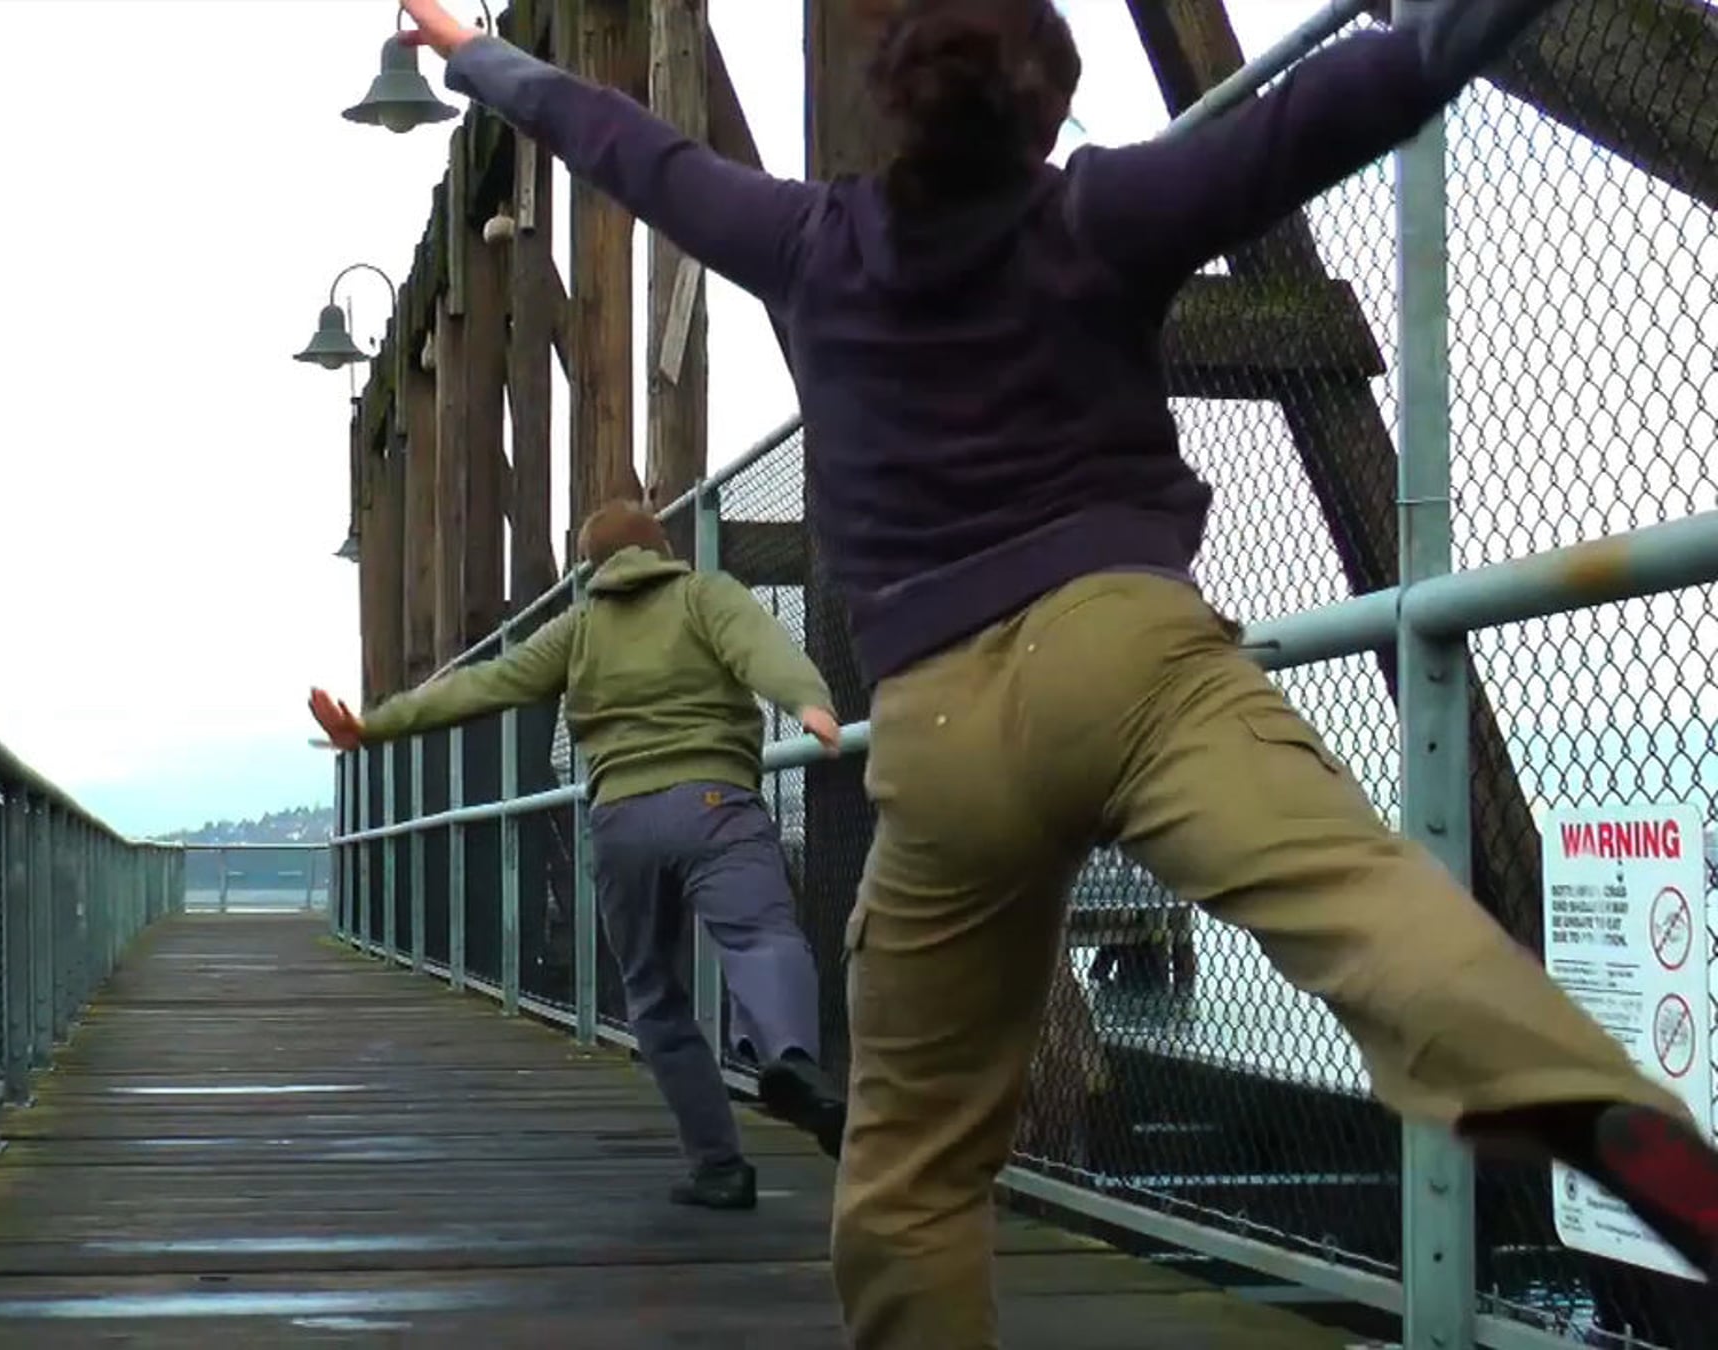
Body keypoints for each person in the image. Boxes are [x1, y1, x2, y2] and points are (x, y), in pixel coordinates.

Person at [386, 0, 1718, 1343]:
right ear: (1045, 112)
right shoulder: (1103, 212)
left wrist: (472, 52)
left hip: (941, 727)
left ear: (896, 107)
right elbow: (1372, 85)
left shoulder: (806, 241)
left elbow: (617, 141)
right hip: (1136, 658)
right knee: (1371, 916)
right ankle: (1567, 1090)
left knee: (911, 1169)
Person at [310, 499, 849, 1208]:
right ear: (663, 547)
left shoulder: (579, 625)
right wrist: (809, 703)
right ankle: (790, 1056)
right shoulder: (704, 594)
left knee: (653, 994)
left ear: (591, 567)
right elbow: (762, 649)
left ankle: (719, 1166)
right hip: (715, 804)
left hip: (621, 820)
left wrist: (374, 726)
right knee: (761, 936)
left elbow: (485, 683)